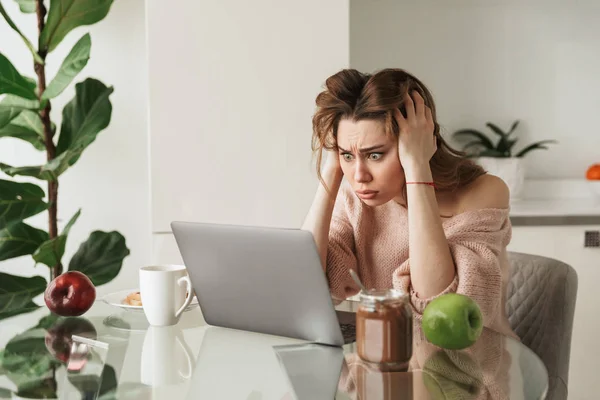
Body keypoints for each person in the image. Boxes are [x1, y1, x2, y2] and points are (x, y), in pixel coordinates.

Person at [301, 68, 517, 338]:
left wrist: (417, 168)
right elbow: (306, 286)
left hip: (470, 368)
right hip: (389, 361)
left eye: (375, 155)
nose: (359, 176)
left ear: (418, 141)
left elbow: (438, 305)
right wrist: (332, 172)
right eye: (347, 155)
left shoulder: (484, 192)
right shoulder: (356, 198)